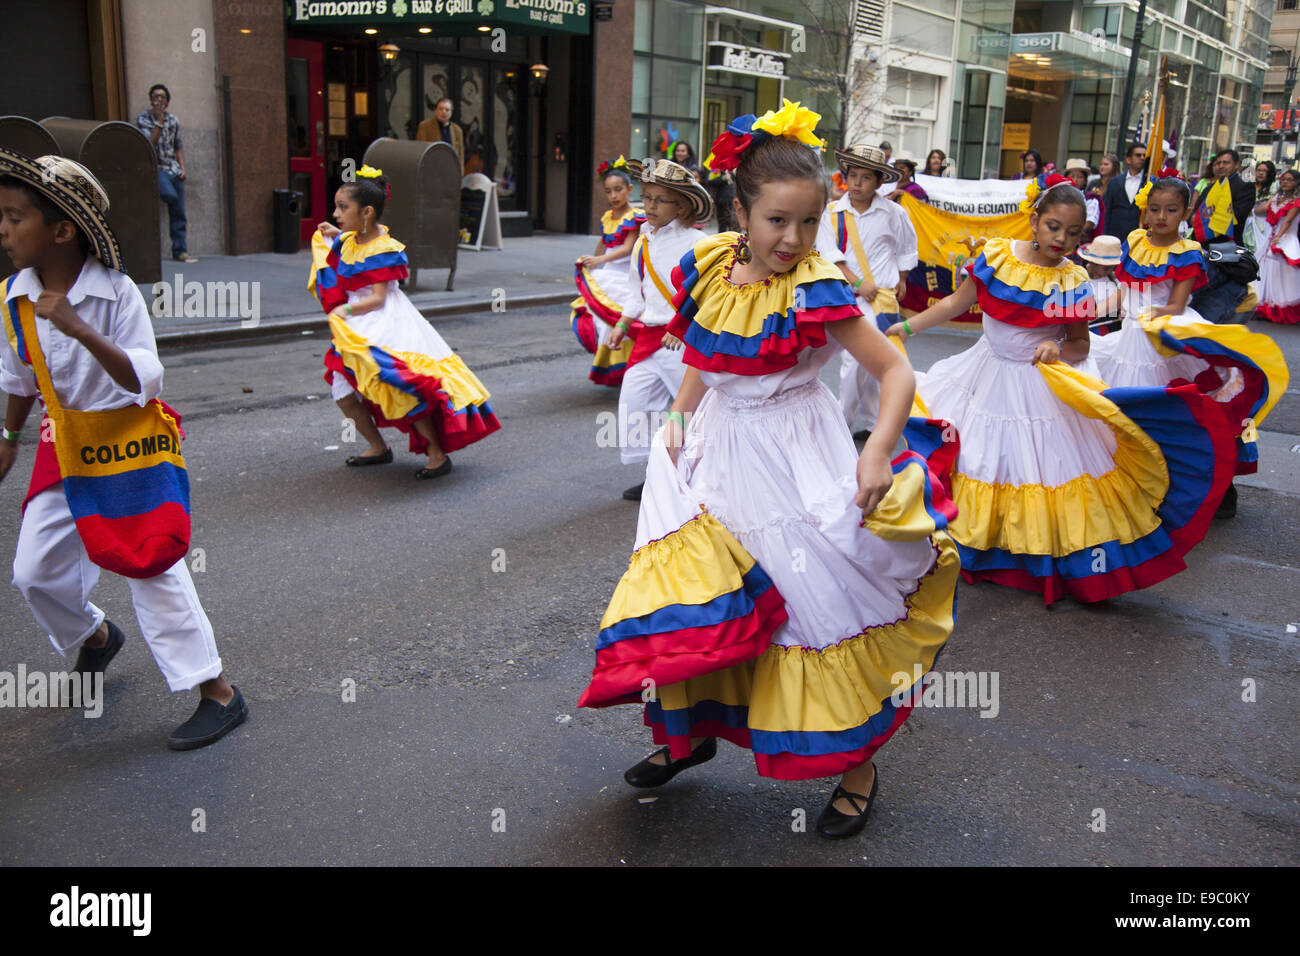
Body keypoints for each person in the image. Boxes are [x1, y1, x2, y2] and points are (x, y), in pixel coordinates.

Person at [578, 101, 958, 840]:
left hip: (793, 456)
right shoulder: (712, 269)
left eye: (809, 222)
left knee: (812, 605)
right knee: (702, 597)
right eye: (777, 221)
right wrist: (682, 416)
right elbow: (701, 352)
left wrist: (876, 449)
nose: (794, 238)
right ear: (741, 213)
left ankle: (857, 767)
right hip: (714, 455)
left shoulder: (817, 288)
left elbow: (896, 373)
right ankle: (688, 736)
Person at [885, 174, 1238, 604]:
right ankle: (970, 543)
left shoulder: (1073, 282)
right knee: (980, 460)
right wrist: (904, 326)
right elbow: (955, 304)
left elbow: (1079, 344)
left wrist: (1056, 345)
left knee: (1032, 469)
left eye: (1073, 233)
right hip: (984, 375)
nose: (1062, 239)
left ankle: (1027, 557)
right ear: (1034, 221)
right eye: (1054, 227)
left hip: (1038, 387)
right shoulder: (997, 257)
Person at [0, 149, 245, 749]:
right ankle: (96, 638)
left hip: (129, 443)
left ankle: (218, 692)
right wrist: (8, 438)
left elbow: (145, 379)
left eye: (13, 216)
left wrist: (79, 328)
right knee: (34, 572)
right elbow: (18, 378)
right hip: (66, 445)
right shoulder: (13, 297)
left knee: (153, 565)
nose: (2, 230)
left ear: (61, 230)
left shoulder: (116, 294)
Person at [1092, 176, 1288, 518]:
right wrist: (1085, 312)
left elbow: (1176, 305)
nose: (1161, 217)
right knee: (1124, 415)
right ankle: (1134, 485)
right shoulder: (1135, 242)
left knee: (1174, 418)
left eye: (1171, 210)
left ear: (1186, 211)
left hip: (1162, 338)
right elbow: (1125, 290)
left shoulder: (1186, 252)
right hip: (1131, 338)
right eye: (1155, 209)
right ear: (1146, 210)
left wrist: (1148, 316)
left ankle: (1204, 487)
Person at [308, 166, 499, 478]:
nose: (336, 213)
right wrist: (334, 233)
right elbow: (349, 247)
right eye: (336, 207)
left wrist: (346, 311)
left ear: (366, 212)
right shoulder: (351, 239)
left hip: (384, 322)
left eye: (343, 208)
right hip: (355, 324)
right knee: (343, 391)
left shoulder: (385, 248)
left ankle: (437, 455)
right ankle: (379, 447)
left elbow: (379, 299)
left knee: (402, 388)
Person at [605, 157, 712, 501]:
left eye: (659, 199)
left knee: (689, 415)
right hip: (649, 336)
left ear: (681, 205)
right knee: (634, 402)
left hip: (682, 339)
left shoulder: (699, 242)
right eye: (646, 197)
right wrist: (622, 324)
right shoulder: (642, 242)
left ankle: (692, 477)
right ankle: (655, 470)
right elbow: (639, 292)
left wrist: (682, 326)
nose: (649, 205)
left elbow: (712, 294)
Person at [815, 144, 917, 442]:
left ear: (879, 181)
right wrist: (859, 284)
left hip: (882, 299)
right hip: (845, 295)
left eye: (865, 177)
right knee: (853, 362)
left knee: (874, 362)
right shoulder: (831, 213)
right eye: (853, 175)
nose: (857, 183)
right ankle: (841, 423)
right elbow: (828, 254)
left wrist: (902, 279)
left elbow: (907, 248)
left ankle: (872, 423)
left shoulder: (893, 212)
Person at [571, 157, 645, 386]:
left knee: (620, 320)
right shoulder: (607, 217)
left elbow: (627, 248)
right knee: (601, 320)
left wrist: (599, 259)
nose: (613, 196)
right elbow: (603, 244)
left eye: (618, 190)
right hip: (607, 274)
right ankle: (611, 364)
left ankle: (628, 367)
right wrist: (591, 262)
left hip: (626, 276)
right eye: (608, 191)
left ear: (630, 189)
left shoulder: (635, 216)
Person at [135, 84, 197, 263]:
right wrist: (159, 122)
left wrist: (183, 168)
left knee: (179, 212)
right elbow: (148, 145)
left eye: (162, 97)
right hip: (156, 168)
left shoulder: (174, 120)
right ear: (151, 99)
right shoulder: (143, 119)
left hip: (173, 169)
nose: (158, 100)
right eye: (155, 96)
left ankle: (180, 251)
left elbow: (178, 147)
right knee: (169, 195)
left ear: (167, 101)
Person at [1257, 166, 1300, 325]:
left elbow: (1288, 221)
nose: (1286, 182)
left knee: (1284, 275)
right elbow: (1261, 211)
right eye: (1283, 180)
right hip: (1271, 237)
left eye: (1290, 180)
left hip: (1286, 238)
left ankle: (1280, 308)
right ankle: (1265, 307)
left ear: (1296, 183)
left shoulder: (1297, 201)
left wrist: (1279, 238)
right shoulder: (1275, 198)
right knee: (1267, 271)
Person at [1189, 148, 1255, 245]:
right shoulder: (1210, 188)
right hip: (1201, 243)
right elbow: (1195, 210)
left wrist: (1207, 220)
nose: (1221, 166)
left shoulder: (1244, 186)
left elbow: (1238, 216)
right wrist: (1194, 217)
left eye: (1226, 163)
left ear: (1236, 165)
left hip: (1226, 245)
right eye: (1218, 163)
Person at [1103, 143, 1147, 239]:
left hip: (1138, 237)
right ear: (1128, 159)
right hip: (1114, 236)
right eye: (1138, 155)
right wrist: (1104, 235)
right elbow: (1107, 210)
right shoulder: (1115, 182)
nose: (1142, 158)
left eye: (1144, 155)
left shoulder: (1148, 182)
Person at [1078, 235, 1122, 321]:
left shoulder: (1116, 282)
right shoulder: (1077, 278)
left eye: (1112, 267)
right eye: (1106, 268)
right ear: (1092, 262)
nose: (1109, 271)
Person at [416, 97, 465, 172]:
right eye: (441, 109)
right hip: (431, 169)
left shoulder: (457, 130)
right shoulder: (425, 126)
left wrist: (460, 171)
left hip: (451, 169)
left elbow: (460, 154)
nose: (444, 112)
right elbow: (420, 149)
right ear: (435, 111)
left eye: (447, 110)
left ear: (451, 112)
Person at [1246, 160, 1277, 254]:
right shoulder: (1250, 185)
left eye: (1264, 171)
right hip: (1246, 222)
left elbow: (1267, 208)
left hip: (1263, 223)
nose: (1261, 173)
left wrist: (1250, 211)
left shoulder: (1273, 187)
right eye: (1259, 170)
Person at [1063, 158, 1098, 241]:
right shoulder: (1059, 196)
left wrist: (1071, 234)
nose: (1075, 180)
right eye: (1072, 176)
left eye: (1080, 177)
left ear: (1085, 180)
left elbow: (1089, 222)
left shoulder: (1091, 199)